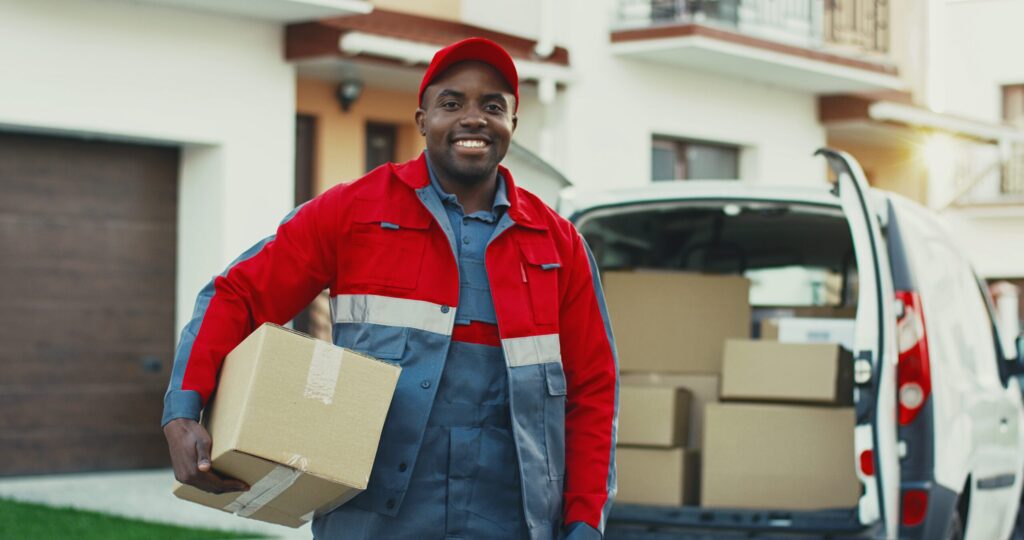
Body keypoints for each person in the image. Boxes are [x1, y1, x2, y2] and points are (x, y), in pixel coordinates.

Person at [161, 37, 618, 540]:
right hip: (375, 516)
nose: (473, 118)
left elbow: (593, 388)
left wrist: (584, 518)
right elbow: (238, 294)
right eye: (451, 103)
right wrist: (183, 411)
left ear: (513, 123)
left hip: (511, 518)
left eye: (493, 106)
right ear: (422, 120)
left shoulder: (559, 244)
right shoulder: (355, 212)